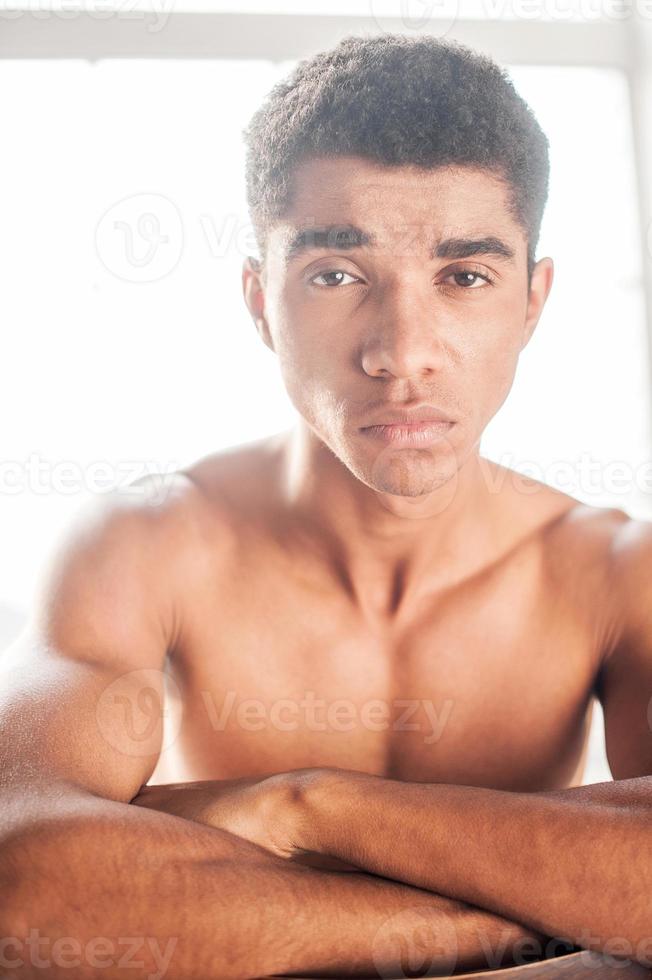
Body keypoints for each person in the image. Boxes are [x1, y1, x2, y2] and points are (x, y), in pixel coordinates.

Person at [1, 32, 650, 980]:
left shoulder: (613, 571)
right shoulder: (145, 547)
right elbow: (24, 887)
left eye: (464, 276)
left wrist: (304, 806)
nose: (403, 352)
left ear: (533, 303)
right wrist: (569, 913)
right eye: (337, 276)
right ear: (262, 302)